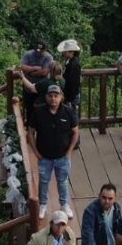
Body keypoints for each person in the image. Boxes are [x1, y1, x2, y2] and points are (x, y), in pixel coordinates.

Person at [26, 84, 79, 220]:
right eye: (50, 96)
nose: (53, 99)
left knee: (62, 181)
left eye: (56, 96)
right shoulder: (38, 112)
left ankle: (64, 204)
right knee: (44, 181)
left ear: (61, 97)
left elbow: (75, 132)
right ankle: (43, 205)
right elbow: (30, 132)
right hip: (44, 157)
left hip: (63, 156)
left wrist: (69, 151)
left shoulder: (68, 112)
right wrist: (35, 152)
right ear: (46, 97)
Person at [19, 42, 54, 121]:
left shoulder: (48, 57)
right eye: (37, 50)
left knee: (42, 109)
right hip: (28, 87)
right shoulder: (28, 54)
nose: (38, 52)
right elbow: (22, 67)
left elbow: (44, 72)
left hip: (41, 89)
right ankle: (29, 127)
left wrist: (29, 71)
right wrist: (35, 68)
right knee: (29, 108)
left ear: (45, 50)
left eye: (41, 51)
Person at [56, 39, 82, 110]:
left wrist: (69, 98)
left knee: (72, 116)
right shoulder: (70, 61)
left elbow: (73, 83)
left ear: (72, 51)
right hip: (70, 95)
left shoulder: (74, 64)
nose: (63, 52)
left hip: (72, 97)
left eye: (65, 51)